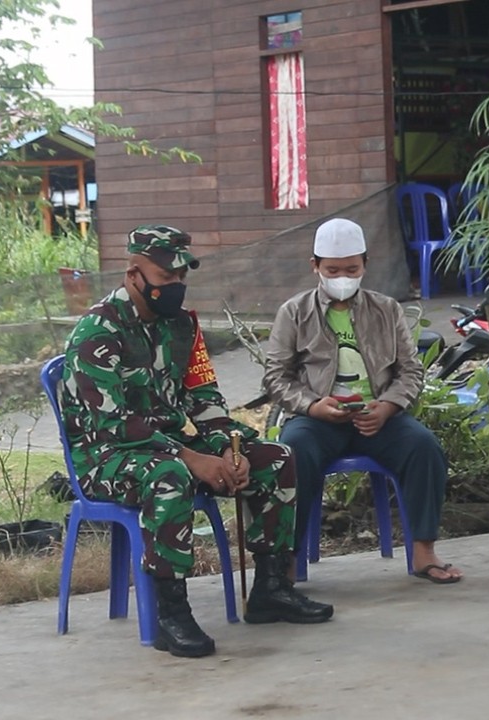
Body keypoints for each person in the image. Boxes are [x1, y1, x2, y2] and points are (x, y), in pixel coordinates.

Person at [61, 225, 333, 659]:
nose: (176, 288)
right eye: (166, 279)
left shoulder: (183, 326)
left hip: (170, 446)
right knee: (169, 476)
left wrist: (228, 447)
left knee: (276, 457)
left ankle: (271, 589)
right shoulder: (98, 331)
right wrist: (190, 458)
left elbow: (204, 398)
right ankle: (172, 613)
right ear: (134, 276)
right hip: (107, 456)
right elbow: (110, 424)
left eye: (181, 278)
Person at [263, 218, 462, 583]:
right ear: (315, 267)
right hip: (318, 418)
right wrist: (312, 405)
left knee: (424, 447)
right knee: (292, 451)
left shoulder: (386, 310)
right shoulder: (294, 312)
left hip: (378, 417)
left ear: (365, 265)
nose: (343, 277)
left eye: (352, 269)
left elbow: (410, 371)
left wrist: (387, 407)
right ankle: (286, 561)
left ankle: (424, 552)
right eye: (333, 269)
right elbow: (276, 377)